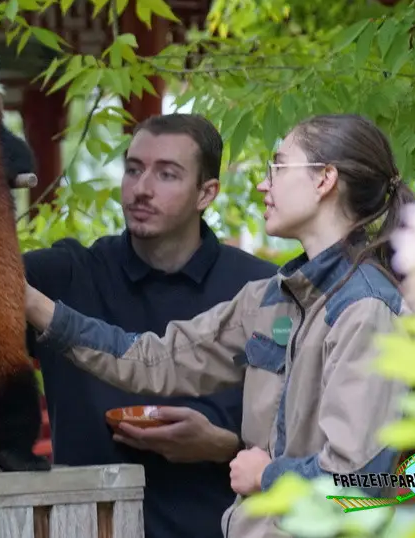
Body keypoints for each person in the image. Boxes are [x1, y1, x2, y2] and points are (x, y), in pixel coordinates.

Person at [24, 113, 415, 538]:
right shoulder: (272, 298)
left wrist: (268, 475)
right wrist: (28, 300)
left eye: (278, 167)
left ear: (324, 180)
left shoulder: (366, 310)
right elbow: (153, 359)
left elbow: (360, 486)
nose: (263, 185)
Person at [23, 113, 278, 538]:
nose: (141, 189)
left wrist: (225, 447)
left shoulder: (261, 291)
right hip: (90, 527)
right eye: (133, 169)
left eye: (167, 174)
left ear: (206, 193)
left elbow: (312, 447)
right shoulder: (68, 276)